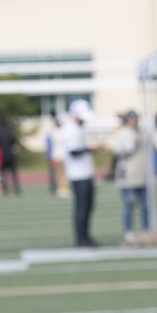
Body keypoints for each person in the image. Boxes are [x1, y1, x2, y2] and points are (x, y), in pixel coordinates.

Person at [60, 99, 98, 247]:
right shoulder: (70, 130)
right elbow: (74, 152)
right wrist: (91, 148)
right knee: (81, 207)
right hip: (78, 175)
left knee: (88, 206)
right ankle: (80, 238)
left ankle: (86, 236)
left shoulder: (80, 128)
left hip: (86, 173)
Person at [109, 110, 150, 242]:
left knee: (146, 206)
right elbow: (119, 152)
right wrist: (133, 143)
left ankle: (146, 231)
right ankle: (129, 231)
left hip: (143, 176)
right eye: (132, 119)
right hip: (129, 177)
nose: (135, 121)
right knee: (129, 205)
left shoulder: (143, 132)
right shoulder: (122, 133)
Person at [0, 116, 21, 195]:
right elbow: (14, 142)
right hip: (10, 154)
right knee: (13, 172)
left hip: (1, 155)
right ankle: (17, 188)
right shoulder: (10, 132)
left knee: (2, 173)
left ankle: (4, 189)